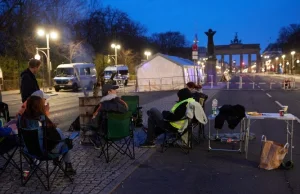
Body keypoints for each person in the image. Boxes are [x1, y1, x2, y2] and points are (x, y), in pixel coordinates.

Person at [19, 96, 76, 175]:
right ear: (40, 106)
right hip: (43, 152)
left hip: (29, 150)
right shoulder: (41, 118)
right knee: (66, 142)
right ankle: (68, 166)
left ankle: (26, 173)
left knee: (57, 132)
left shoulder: (22, 118)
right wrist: (46, 114)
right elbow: (53, 135)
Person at [88, 84, 128, 149]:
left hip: (108, 133)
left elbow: (94, 122)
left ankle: (97, 141)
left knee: (95, 123)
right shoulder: (122, 103)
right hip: (124, 131)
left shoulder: (102, 105)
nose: (116, 91)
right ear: (109, 92)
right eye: (114, 90)